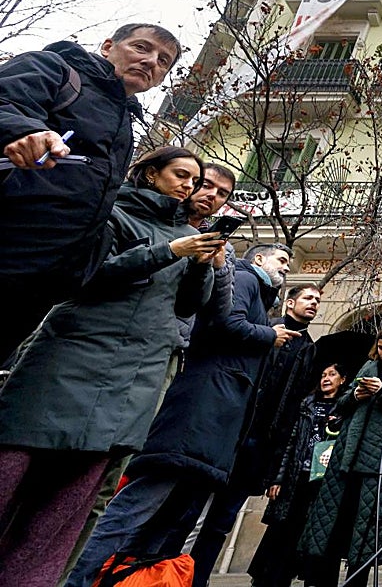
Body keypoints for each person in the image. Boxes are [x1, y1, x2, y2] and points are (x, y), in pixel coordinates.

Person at [0, 146, 219, 586]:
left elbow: (187, 306)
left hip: (134, 376)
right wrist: (167, 251)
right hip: (69, 358)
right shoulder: (111, 214)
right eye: (181, 175)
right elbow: (87, 274)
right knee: (11, 473)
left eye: (193, 181)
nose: (189, 186)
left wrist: (199, 266)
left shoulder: (185, 233)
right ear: (151, 173)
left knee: (66, 509)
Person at [66, 243, 298, 587]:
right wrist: (269, 334)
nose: (287, 267)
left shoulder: (258, 296)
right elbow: (224, 322)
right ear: (259, 259)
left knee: (162, 524)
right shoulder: (246, 280)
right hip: (195, 421)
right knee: (133, 511)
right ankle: (76, 580)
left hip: (209, 429)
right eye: (281, 260)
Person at [62, 164, 238, 578]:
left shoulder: (217, 249)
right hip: (97, 353)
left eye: (221, 193)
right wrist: (175, 250)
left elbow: (217, 314)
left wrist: (215, 266)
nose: (209, 195)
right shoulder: (138, 221)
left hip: (160, 365)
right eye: (204, 185)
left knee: (105, 477)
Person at [0, 24, 182, 364]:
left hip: (42, 281)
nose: (150, 61)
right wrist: (26, 132)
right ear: (108, 46)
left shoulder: (125, 124)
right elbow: (6, 102)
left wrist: (84, 261)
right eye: (141, 48)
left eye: (163, 61)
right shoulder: (54, 69)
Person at [187, 284, 322, 587]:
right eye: (308, 298)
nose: (314, 303)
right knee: (193, 513)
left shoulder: (309, 349)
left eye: (317, 300)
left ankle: (198, 579)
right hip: (230, 436)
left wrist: (275, 465)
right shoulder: (263, 331)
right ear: (290, 303)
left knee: (221, 522)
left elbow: (294, 408)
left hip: (259, 447)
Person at [300, 324, 382, 587]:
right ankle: (322, 580)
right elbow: (342, 404)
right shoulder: (368, 366)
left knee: (366, 527)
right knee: (332, 521)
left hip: (379, 458)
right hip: (347, 453)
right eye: (381, 347)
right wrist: (355, 394)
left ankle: (356, 581)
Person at [248, 363, 348, 587]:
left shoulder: (344, 408)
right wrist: (278, 478)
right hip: (297, 476)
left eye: (332, 374)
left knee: (313, 532)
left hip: (322, 480)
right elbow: (291, 443)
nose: (326, 378)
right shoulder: (307, 405)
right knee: (282, 531)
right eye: (323, 374)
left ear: (342, 380)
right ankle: (270, 578)